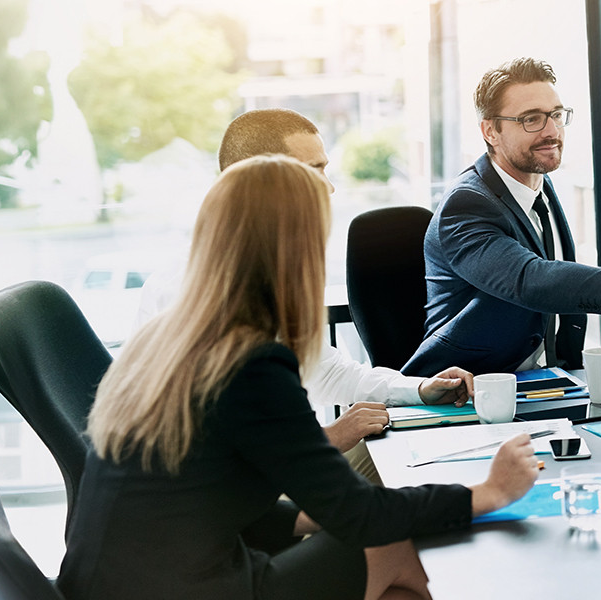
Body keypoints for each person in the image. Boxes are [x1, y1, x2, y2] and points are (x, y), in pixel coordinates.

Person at [59, 155, 540, 600]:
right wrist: (490, 491)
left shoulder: (170, 337)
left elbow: (206, 494)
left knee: (380, 561)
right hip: (188, 588)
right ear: (295, 251)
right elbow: (362, 517)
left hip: (112, 583)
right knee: (393, 545)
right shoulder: (248, 363)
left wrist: (310, 518)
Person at [135, 108, 474, 480]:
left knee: (429, 451)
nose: (329, 187)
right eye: (313, 170)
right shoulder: (193, 292)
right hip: (235, 504)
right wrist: (331, 436)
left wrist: (421, 389)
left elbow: (326, 370)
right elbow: (216, 455)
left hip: (277, 474)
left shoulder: (266, 269)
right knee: (411, 475)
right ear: (259, 181)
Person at [401, 57, 601, 377]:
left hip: (549, 383)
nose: (552, 131)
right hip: (467, 392)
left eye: (555, 114)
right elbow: (530, 280)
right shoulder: (467, 204)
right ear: (490, 131)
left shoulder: (540, 181)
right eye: (531, 119)